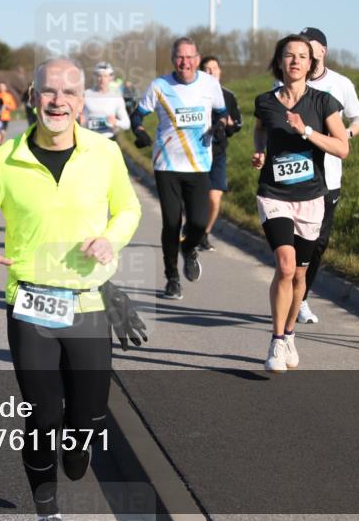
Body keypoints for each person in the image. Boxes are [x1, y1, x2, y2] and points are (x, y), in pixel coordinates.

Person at [0, 58, 141, 521]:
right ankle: (48, 512)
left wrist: (111, 240)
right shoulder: (5, 159)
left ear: (81, 102)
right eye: (49, 91)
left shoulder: (104, 153)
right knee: (42, 415)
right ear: (33, 97)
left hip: (88, 301)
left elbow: (129, 209)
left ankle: (78, 449)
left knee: (88, 416)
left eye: (69, 92)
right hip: (29, 303)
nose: (59, 101)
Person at [252, 35, 347, 373]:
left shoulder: (323, 102)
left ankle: (290, 333)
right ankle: (277, 340)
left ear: (311, 64)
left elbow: (342, 148)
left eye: (302, 56)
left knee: (301, 274)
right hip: (274, 194)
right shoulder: (265, 101)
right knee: (286, 266)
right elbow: (260, 130)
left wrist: (306, 131)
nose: (295, 61)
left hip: (311, 197)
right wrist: (261, 151)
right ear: (279, 62)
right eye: (288, 55)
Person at [130, 37, 226, 300]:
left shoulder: (209, 84)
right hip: (167, 164)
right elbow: (137, 115)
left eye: (189, 57)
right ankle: (172, 278)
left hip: (199, 164)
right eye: (180, 57)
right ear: (173, 60)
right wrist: (139, 131)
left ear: (197, 59)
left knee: (198, 222)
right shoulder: (160, 86)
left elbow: (221, 112)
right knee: (172, 222)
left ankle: (190, 247)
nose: (185, 62)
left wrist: (220, 126)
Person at [294, 27, 359, 323]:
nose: (303, 54)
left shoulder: (341, 83)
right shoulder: (289, 81)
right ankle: (288, 292)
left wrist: (346, 134)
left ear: (322, 50)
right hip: (295, 176)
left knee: (317, 244)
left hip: (328, 178)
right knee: (293, 244)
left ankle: (301, 299)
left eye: (309, 47)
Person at [197, 56, 243, 251]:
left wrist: (229, 124)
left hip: (218, 153)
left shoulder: (228, 96)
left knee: (215, 198)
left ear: (220, 71)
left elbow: (237, 124)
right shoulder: (195, 95)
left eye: (214, 68)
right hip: (197, 152)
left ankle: (204, 234)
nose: (211, 72)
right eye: (207, 69)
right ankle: (192, 229)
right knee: (197, 198)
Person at [81, 61, 130, 139]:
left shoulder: (117, 97)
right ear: (95, 77)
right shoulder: (86, 94)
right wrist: (81, 120)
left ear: (111, 78)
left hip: (109, 139)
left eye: (105, 76)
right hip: (89, 139)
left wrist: (116, 122)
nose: (102, 79)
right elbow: (79, 117)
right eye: (99, 76)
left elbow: (127, 124)